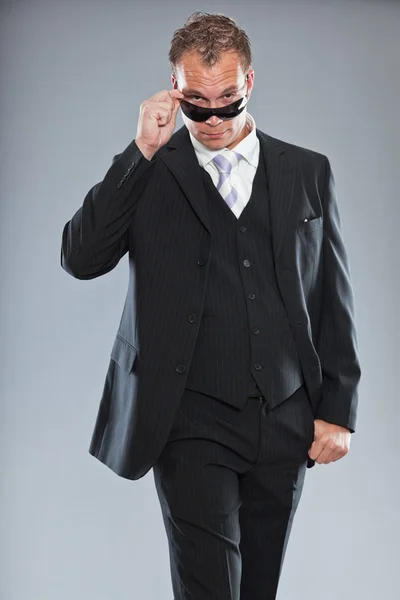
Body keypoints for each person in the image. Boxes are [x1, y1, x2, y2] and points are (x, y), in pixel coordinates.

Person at [61, 11, 361, 600]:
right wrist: (141, 149)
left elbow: (331, 297)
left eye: (227, 99)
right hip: (189, 420)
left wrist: (339, 408)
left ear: (250, 82)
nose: (214, 117)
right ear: (176, 89)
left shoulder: (307, 171)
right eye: (197, 104)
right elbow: (81, 256)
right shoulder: (150, 170)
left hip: (284, 417)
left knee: (259, 589)